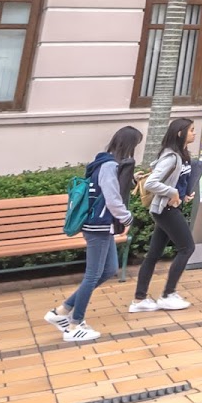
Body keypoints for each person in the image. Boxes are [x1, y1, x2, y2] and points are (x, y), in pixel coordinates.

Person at [45, 125, 139, 343]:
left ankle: (61, 311)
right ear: (129, 145)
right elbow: (113, 198)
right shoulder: (109, 166)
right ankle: (75, 325)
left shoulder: (106, 162)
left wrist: (132, 181)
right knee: (93, 275)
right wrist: (127, 218)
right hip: (97, 225)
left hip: (101, 226)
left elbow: (112, 189)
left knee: (109, 269)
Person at [128, 118, 197, 312]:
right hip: (165, 210)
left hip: (170, 208)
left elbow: (178, 181)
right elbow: (151, 183)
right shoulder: (171, 157)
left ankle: (139, 300)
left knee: (153, 255)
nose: (194, 133)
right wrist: (172, 193)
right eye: (191, 130)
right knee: (187, 248)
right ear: (179, 133)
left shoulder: (183, 155)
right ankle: (168, 294)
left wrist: (184, 194)